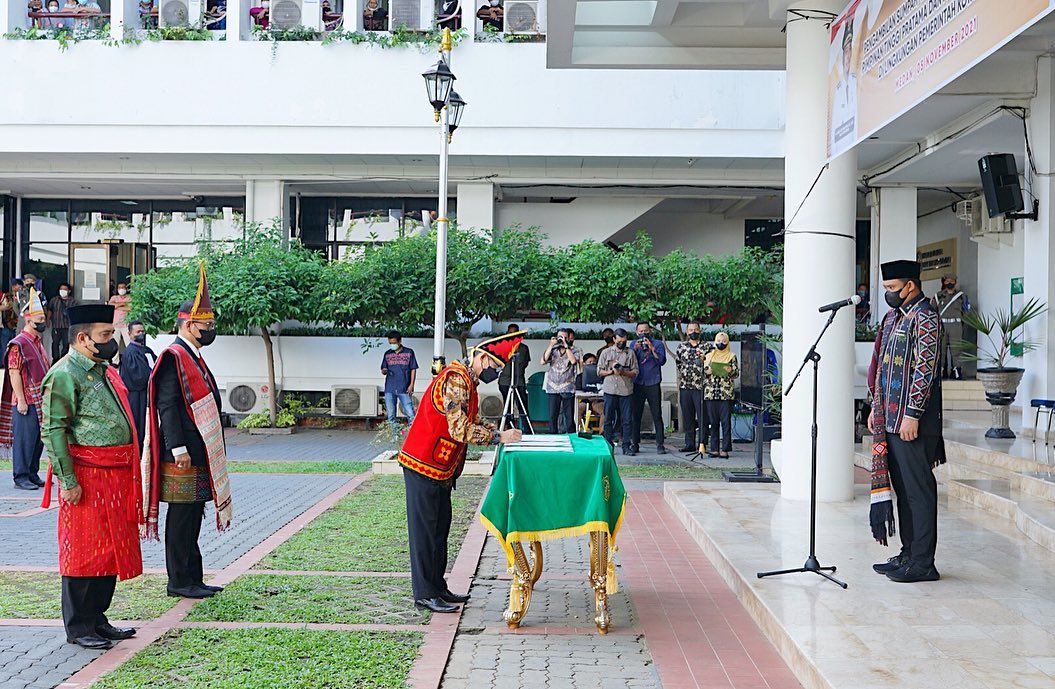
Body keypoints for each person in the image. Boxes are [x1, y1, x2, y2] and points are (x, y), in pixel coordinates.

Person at [398, 331, 524, 613]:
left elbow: (472, 419)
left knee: (440, 528)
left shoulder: (468, 381)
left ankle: (438, 587)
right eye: (494, 366)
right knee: (426, 533)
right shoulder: (456, 380)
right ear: (481, 358)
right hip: (423, 464)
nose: (495, 372)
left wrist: (499, 432)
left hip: (440, 468)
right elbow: (459, 429)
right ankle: (425, 593)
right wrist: (497, 438)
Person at [40, 303, 143, 650]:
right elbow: (54, 430)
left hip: (114, 475)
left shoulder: (101, 369)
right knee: (83, 549)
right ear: (83, 338)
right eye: (105, 335)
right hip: (86, 475)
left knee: (109, 549)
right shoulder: (64, 373)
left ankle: (98, 617)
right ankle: (79, 624)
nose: (111, 340)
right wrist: (68, 481)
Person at [144, 264, 232, 600]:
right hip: (182, 453)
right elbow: (167, 407)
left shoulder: (192, 355)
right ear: (188, 323)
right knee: (181, 516)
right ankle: (178, 580)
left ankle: (193, 576)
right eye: (206, 325)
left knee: (194, 512)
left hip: (198, 452)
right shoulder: (172, 357)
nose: (210, 329)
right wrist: (178, 448)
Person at [869, 259, 945, 584]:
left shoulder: (925, 318)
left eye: (892, 288)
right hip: (890, 419)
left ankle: (924, 563)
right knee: (902, 490)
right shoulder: (892, 319)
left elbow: (924, 371)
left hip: (913, 422)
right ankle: (908, 553)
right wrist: (876, 409)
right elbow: (883, 369)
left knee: (919, 492)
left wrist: (912, 413)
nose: (888, 294)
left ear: (910, 286)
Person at [1, 289, 51, 490]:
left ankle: (31, 473)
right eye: (39, 318)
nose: (43, 321)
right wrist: (21, 400)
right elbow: (14, 373)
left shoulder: (36, 342)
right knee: (25, 441)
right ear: (29, 320)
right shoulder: (18, 344)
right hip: (25, 401)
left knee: (37, 440)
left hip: (38, 400)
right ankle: (20, 476)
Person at [598, 329, 637, 455]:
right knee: (608, 419)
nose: (622, 343)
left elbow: (635, 372)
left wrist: (623, 372)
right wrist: (610, 371)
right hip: (610, 390)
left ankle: (626, 446)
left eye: (624, 341)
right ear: (614, 339)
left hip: (625, 390)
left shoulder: (630, 353)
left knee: (627, 420)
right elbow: (599, 371)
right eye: (619, 341)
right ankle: (608, 445)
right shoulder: (606, 352)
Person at [630, 322, 667, 454]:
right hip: (638, 383)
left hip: (653, 382)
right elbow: (629, 361)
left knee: (657, 414)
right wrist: (635, 349)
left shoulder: (657, 344)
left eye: (645, 330)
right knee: (636, 415)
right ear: (636, 332)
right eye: (641, 331)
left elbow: (662, 361)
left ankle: (660, 444)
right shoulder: (633, 344)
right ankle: (635, 443)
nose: (643, 333)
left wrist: (652, 349)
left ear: (650, 331)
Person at [120, 321, 155, 452]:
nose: (141, 334)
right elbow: (140, 376)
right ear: (129, 334)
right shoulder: (130, 352)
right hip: (136, 396)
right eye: (137, 332)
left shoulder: (146, 350)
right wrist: (151, 375)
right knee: (138, 425)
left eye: (142, 331)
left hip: (146, 394)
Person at [675, 322, 709, 453]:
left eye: (696, 329)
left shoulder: (707, 347)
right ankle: (689, 444)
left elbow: (709, 364)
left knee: (702, 417)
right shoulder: (682, 347)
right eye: (691, 330)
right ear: (687, 332)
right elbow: (679, 363)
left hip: (701, 387)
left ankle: (702, 443)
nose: (693, 332)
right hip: (685, 386)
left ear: (700, 331)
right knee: (688, 417)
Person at [703, 332, 738, 459]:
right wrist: (707, 372)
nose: (721, 343)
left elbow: (736, 374)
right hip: (711, 393)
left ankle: (725, 449)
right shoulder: (708, 356)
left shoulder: (731, 356)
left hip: (725, 394)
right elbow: (702, 374)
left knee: (725, 422)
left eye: (723, 341)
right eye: (719, 340)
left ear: (727, 342)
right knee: (713, 422)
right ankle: (714, 449)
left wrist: (730, 371)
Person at [540, 328, 581, 434]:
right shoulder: (553, 350)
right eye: (559, 337)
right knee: (553, 415)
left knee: (569, 416)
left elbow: (573, 361)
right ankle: (553, 437)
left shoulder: (575, 350)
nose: (561, 339)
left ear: (568, 338)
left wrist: (566, 346)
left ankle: (571, 437)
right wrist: (550, 345)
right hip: (553, 387)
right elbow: (542, 361)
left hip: (567, 387)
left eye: (564, 337)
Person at [931, 273, 971, 380]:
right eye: (947, 280)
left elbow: (967, 311)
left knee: (956, 350)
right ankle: (941, 371)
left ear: (955, 282)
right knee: (941, 350)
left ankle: (957, 371)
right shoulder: (938, 296)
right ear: (944, 282)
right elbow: (932, 312)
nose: (949, 283)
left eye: (952, 280)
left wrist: (963, 325)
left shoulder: (962, 296)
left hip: (956, 325)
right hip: (942, 325)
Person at [497, 324, 530, 431]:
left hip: (519, 381)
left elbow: (525, 363)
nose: (512, 335)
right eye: (510, 333)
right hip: (505, 381)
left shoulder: (524, 348)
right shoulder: (502, 347)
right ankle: (508, 429)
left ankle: (527, 430)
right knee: (508, 407)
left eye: (514, 333)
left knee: (523, 407)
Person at [381, 330, 418, 424]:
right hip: (390, 388)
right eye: (390, 343)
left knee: (410, 414)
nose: (392, 345)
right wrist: (384, 371)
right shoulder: (387, 354)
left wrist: (411, 385)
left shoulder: (409, 352)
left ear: (400, 341)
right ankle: (394, 436)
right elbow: (383, 369)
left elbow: (413, 369)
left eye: (394, 343)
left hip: (404, 388)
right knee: (391, 415)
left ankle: (412, 435)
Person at [47, 282, 78, 362]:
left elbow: (75, 313)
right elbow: (50, 310)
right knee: (55, 343)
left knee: (66, 344)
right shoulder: (54, 300)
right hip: (56, 326)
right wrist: (47, 320)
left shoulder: (73, 301)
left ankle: (64, 359)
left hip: (67, 327)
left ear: (69, 291)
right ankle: (55, 359)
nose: (62, 291)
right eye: (61, 289)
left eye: (65, 289)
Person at [108, 282, 132, 365]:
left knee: (129, 344)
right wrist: (123, 304)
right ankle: (115, 362)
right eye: (119, 288)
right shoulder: (114, 297)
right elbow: (110, 306)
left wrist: (117, 306)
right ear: (117, 289)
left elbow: (130, 308)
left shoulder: (130, 297)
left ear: (126, 289)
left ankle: (130, 361)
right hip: (115, 325)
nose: (121, 289)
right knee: (115, 344)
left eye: (123, 287)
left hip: (126, 325)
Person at [0, 279, 20, 365]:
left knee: (16, 348)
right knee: (4, 347)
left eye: (17, 285)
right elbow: (5, 309)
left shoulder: (24, 297)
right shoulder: (7, 296)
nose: (15, 287)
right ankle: (4, 364)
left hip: (18, 326)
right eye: (13, 285)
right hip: (6, 326)